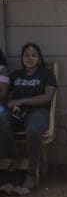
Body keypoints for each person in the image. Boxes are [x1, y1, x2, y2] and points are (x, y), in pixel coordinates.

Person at [0, 43, 57, 189]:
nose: (30, 58)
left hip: (38, 112)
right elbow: (7, 98)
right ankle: (15, 156)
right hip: (17, 112)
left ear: (39, 58)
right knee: (1, 120)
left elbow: (47, 97)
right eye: (26, 55)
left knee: (33, 129)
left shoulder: (46, 74)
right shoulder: (15, 75)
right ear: (22, 58)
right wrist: (13, 106)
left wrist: (22, 101)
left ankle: (31, 173)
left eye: (34, 55)